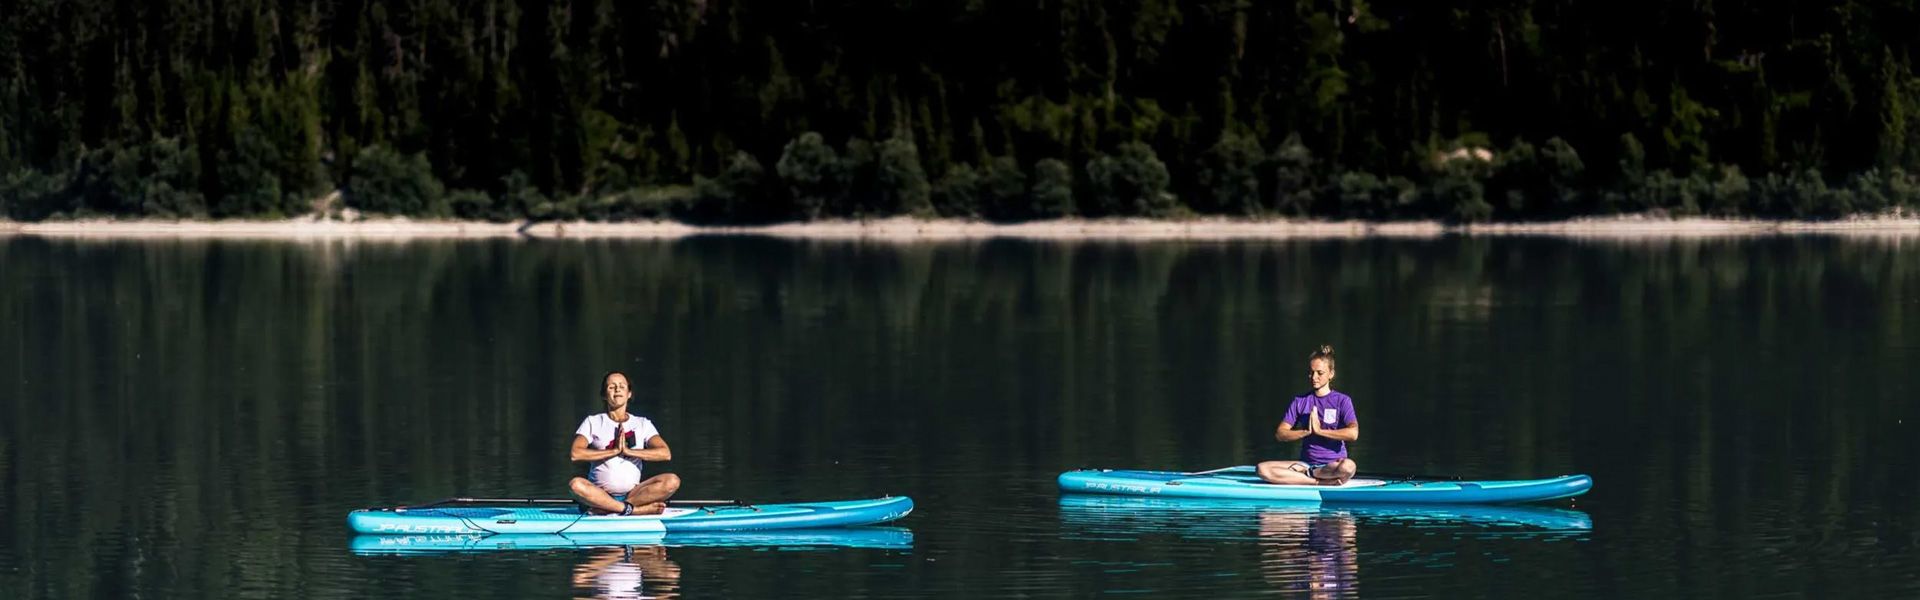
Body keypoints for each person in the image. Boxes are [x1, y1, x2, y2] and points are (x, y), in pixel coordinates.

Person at [568, 371, 681, 515]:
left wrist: (628, 451)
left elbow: (665, 453)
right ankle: (631, 510)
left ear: (629, 394)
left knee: (672, 481)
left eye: (622, 386)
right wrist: (613, 451)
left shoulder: (642, 424)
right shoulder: (593, 422)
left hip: (634, 495)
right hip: (600, 495)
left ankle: (612, 508)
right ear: (604, 395)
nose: (617, 389)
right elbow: (575, 454)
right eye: (611, 387)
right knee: (576, 485)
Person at [1256, 345, 1360, 485]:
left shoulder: (1342, 401)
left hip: (1333, 465)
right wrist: (1306, 431)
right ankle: (1316, 481)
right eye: (1311, 372)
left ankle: (1311, 475)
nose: (1314, 377)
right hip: (1306, 464)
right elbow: (1281, 433)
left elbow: (1353, 433)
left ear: (1331, 374)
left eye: (1320, 373)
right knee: (1262, 469)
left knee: (1349, 467)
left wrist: (1320, 431)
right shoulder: (1300, 401)